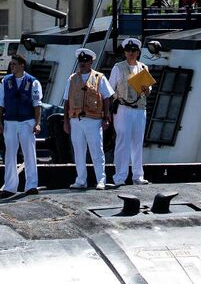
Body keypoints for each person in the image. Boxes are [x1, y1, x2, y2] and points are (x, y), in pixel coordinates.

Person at [63, 47, 113, 190]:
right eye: (81, 61)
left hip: (93, 119)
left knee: (96, 150)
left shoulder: (99, 78)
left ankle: (101, 179)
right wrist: (66, 121)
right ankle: (81, 180)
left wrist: (106, 117)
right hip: (76, 120)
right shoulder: (72, 79)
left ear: (91, 62)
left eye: (85, 61)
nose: (82, 63)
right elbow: (66, 101)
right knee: (78, 151)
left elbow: (107, 98)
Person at [0, 55, 43, 197]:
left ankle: (31, 185)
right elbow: (0, 104)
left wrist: (37, 123)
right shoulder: (6, 82)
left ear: (22, 65)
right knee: (10, 154)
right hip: (10, 122)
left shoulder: (33, 82)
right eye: (11, 65)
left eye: (14, 64)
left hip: (26, 121)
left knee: (29, 153)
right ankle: (10, 186)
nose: (12, 67)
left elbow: (37, 105)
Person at [110, 38, 154, 185]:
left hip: (140, 109)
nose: (131, 53)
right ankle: (120, 177)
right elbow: (111, 89)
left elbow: (148, 90)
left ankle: (138, 176)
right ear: (124, 52)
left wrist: (146, 89)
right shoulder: (118, 67)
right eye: (128, 51)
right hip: (123, 108)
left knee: (137, 142)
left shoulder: (143, 68)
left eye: (134, 51)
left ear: (138, 52)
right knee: (123, 142)